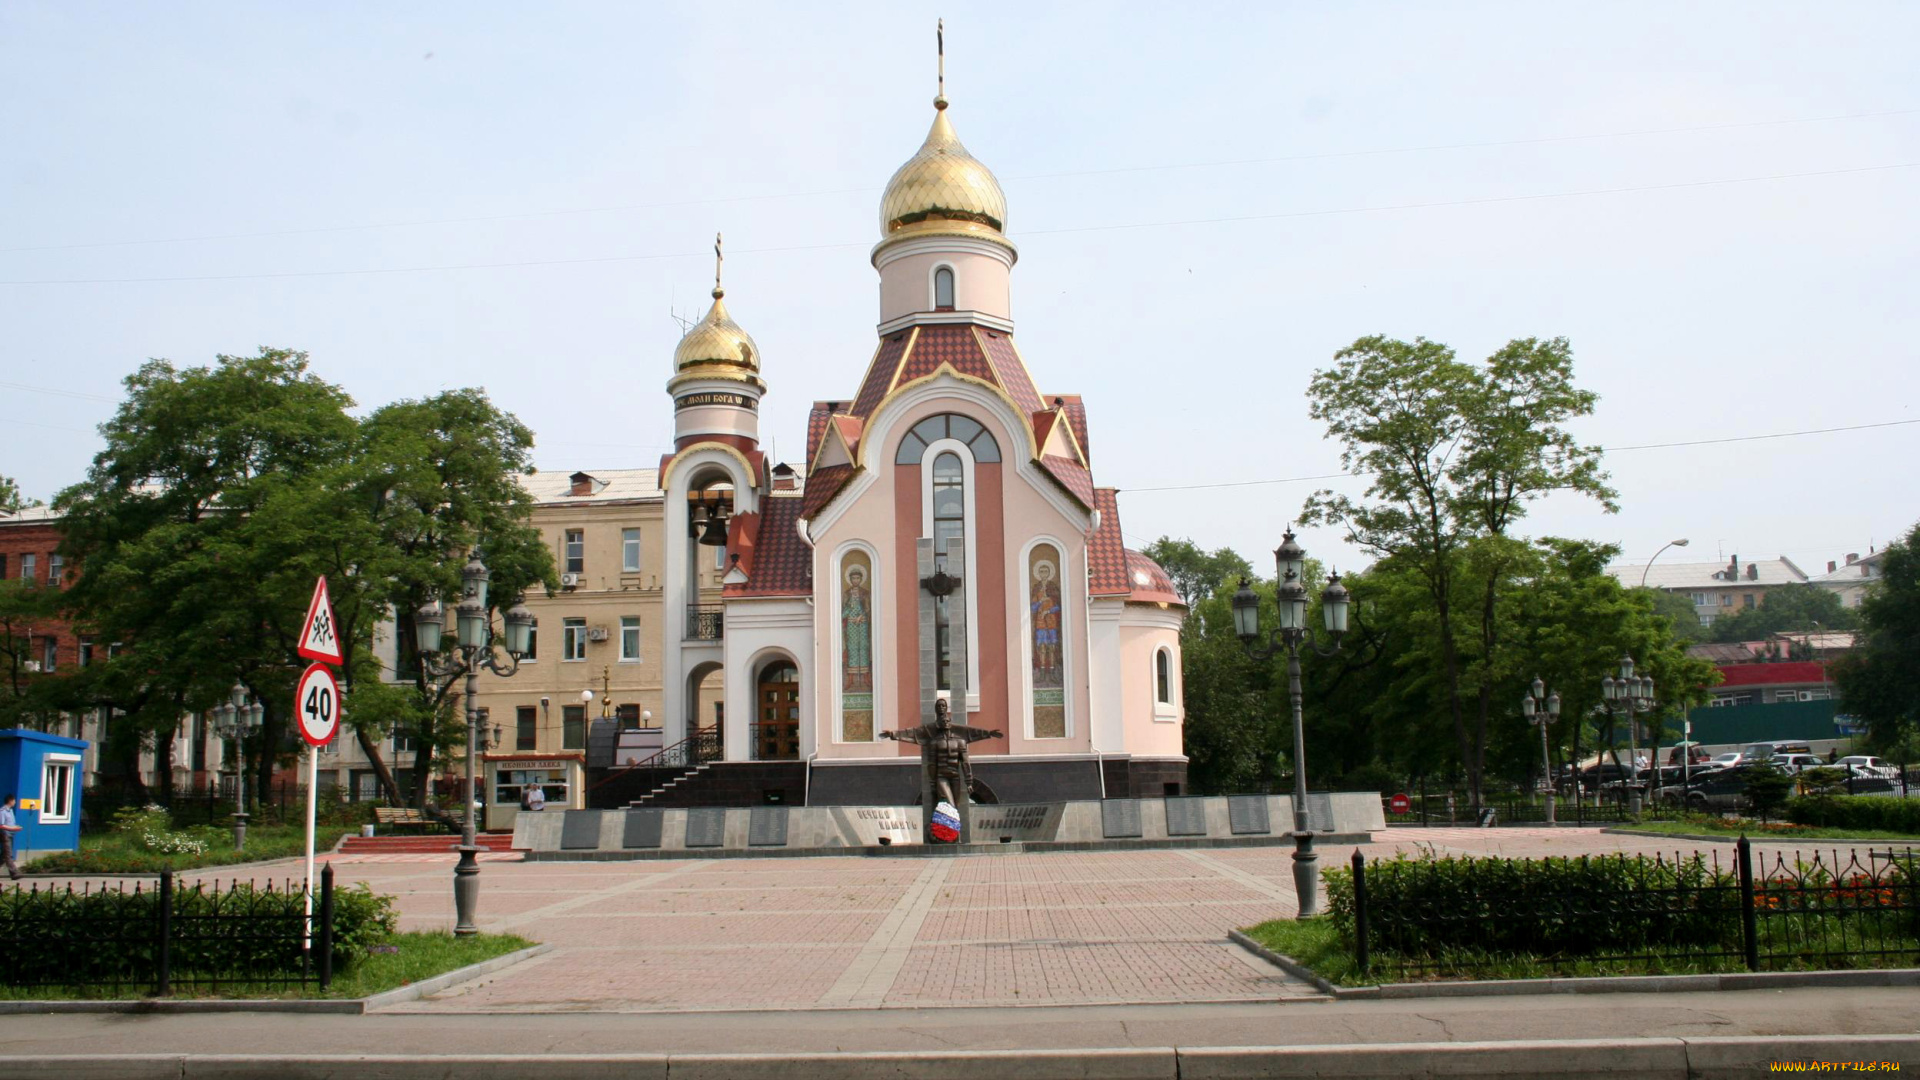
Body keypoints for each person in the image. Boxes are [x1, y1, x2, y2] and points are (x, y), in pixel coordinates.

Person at [0, 794, 22, 880]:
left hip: (10, 835)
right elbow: (1, 825)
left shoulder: (10, 811)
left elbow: (10, 823)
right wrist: (13, 828)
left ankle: (13, 872)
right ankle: (14, 873)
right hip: (5, 835)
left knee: (4, 855)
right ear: (10, 801)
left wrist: (15, 827)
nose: (15, 802)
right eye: (14, 800)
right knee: (8, 855)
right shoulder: (2, 811)